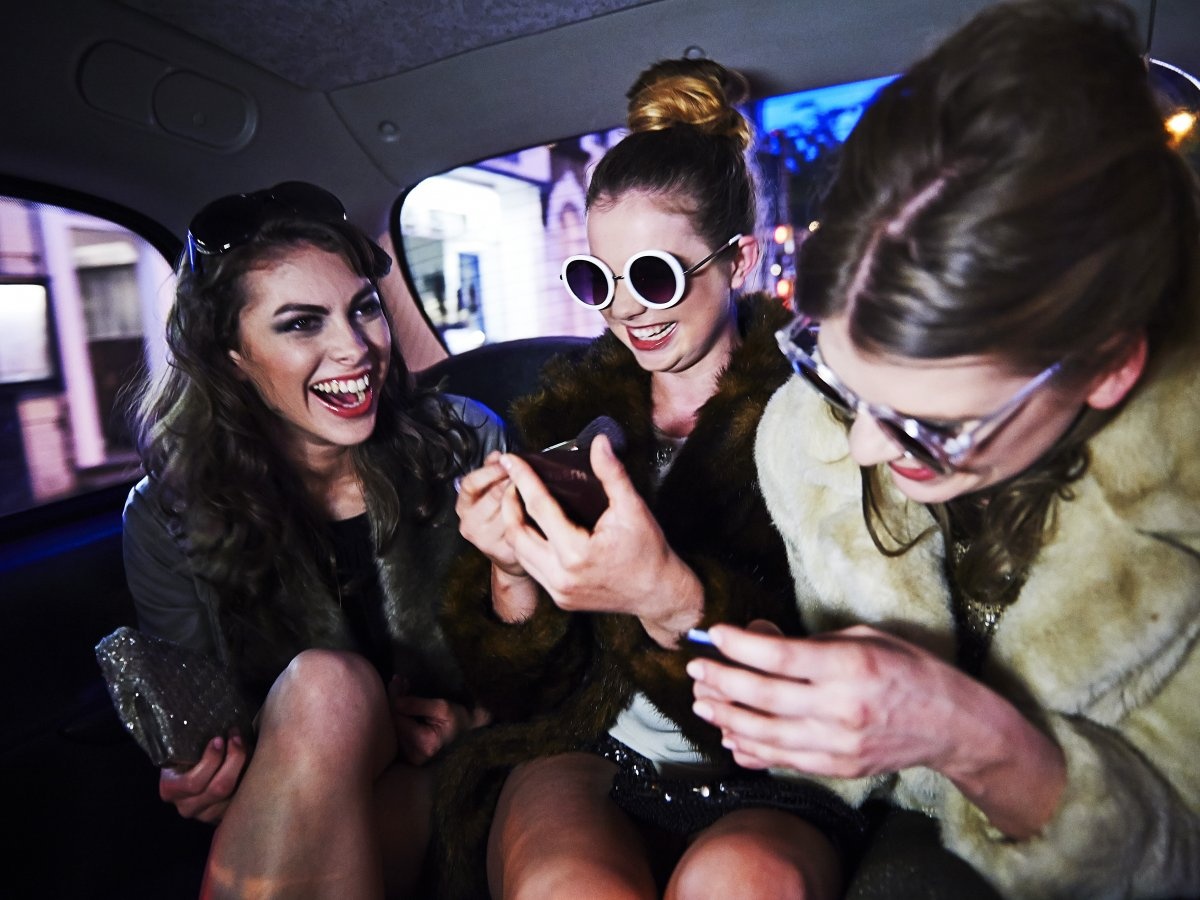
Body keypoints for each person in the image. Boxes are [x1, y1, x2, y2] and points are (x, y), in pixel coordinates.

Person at [687, 2, 1200, 898]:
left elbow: (1177, 859)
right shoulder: (806, 437)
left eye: (932, 422)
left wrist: (970, 735)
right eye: (836, 375)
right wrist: (790, 684)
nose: (863, 443)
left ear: (1108, 367)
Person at [437, 58, 860, 900]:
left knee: (735, 882)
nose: (625, 308)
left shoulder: (827, 419)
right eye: (597, 280)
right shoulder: (562, 416)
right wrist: (509, 571)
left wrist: (669, 596)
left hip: (772, 772)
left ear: (737, 261)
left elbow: (849, 668)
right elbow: (514, 689)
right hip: (588, 744)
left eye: (656, 275)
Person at [122, 181, 505, 898]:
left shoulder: (463, 443)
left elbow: (550, 657)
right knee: (326, 690)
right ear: (232, 354)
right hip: (312, 788)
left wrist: (472, 721)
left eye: (364, 308)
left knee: (329, 692)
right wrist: (204, 776)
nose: (354, 348)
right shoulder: (168, 515)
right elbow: (211, 728)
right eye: (301, 324)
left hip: (470, 769)